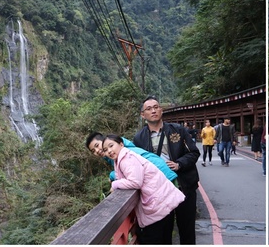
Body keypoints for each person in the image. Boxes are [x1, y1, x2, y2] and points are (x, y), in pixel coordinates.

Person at [133, 96, 200, 245]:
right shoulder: (139, 138)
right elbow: (136, 165)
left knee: (187, 230)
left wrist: (179, 164)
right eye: (149, 109)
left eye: (156, 107)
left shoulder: (178, 130)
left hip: (184, 187)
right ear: (143, 115)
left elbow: (194, 152)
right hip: (160, 193)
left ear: (161, 110)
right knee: (164, 233)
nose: (153, 110)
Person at [102, 134, 185, 245]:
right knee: (163, 239)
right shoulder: (125, 156)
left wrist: (115, 184)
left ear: (121, 144)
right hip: (160, 201)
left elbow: (135, 182)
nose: (109, 151)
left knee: (152, 239)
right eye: (106, 150)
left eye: (111, 145)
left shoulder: (126, 158)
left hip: (156, 203)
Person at [85, 132, 178, 183]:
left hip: (162, 175)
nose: (97, 150)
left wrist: (112, 176)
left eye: (97, 145)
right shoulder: (116, 153)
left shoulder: (123, 152)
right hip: (160, 175)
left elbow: (124, 172)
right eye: (93, 151)